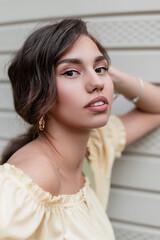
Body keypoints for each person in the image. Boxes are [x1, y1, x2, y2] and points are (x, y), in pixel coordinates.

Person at [0, 18, 160, 240]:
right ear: (39, 92)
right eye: (70, 72)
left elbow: (157, 109)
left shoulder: (95, 147)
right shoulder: (35, 174)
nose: (96, 82)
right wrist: (96, 71)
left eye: (100, 68)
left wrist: (111, 77)